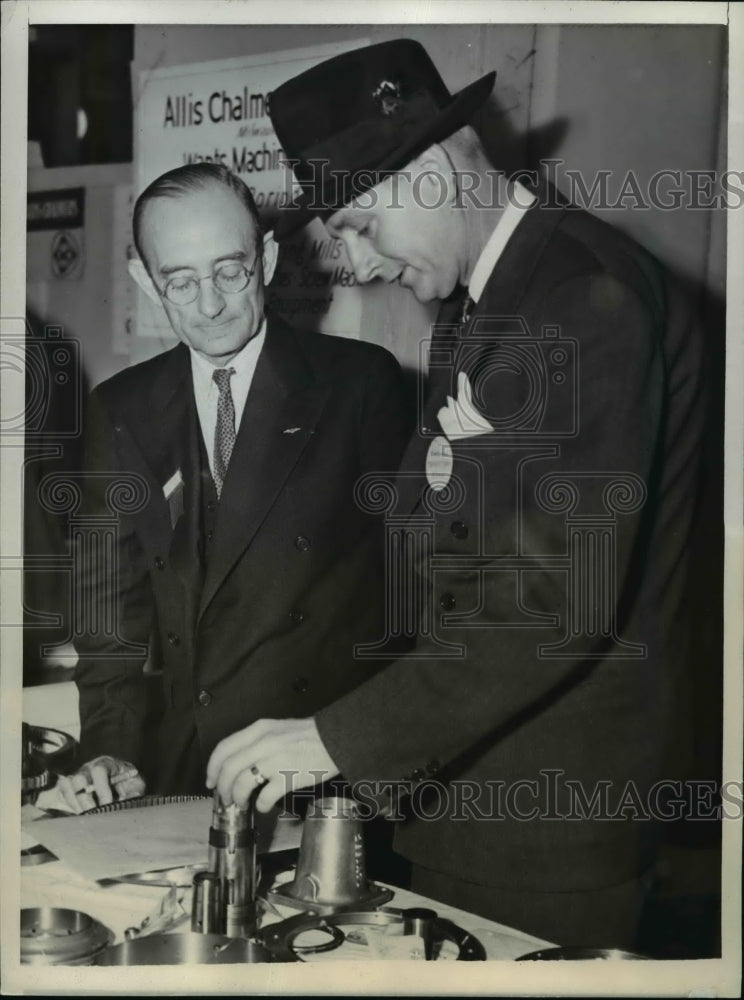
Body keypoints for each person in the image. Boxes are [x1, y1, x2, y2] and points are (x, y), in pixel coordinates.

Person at [205, 40, 710, 949]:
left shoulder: (582, 297)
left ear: (432, 171)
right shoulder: (483, 303)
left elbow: (549, 601)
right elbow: (433, 539)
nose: (355, 263)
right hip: (463, 799)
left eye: (359, 225)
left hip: (545, 828)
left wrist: (339, 741)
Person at [58, 161, 411, 811]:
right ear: (144, 280)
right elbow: (110, 620)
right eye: (181, 282)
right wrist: (111, 749)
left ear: (268, 258)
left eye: (230, 270)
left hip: (319, 779)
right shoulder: (121, 409)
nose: (211, 304)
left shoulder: (361, 386)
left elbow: (411, 601)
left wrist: (355, 748)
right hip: (178, 775)